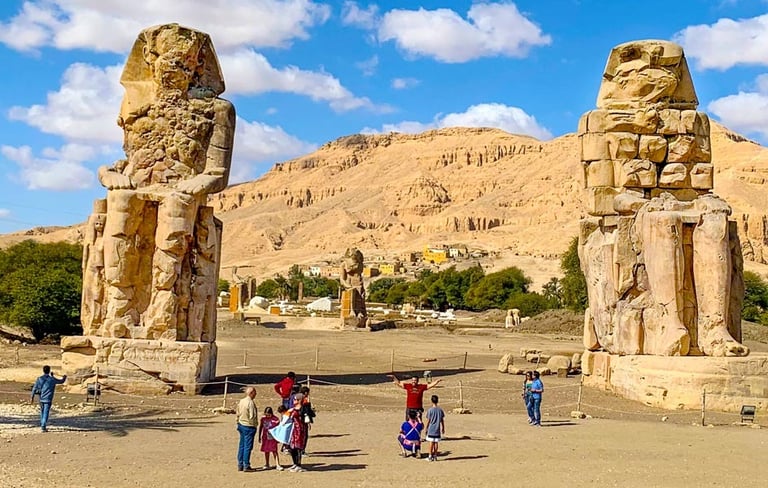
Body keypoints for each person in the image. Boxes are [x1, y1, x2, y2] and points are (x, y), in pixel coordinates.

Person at [30, 365, 67, 432]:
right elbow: (61, 381)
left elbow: (34, 388)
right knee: (46, 412)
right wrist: (64, 377)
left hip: (41, 398)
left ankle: (42, 423)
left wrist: (32, 397)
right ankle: (43, 426)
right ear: (49, 371)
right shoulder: (52, 379)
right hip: (48, 398)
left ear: (43, 370)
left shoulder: (39, 379)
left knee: (42, 411)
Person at [236, 387, 258, 472]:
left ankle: (240, 464)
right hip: (249, 426)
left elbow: (238, 412)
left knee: (242, 445)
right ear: (252, 393)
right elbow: (252, 416)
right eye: (255, 393)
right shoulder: (250, 403)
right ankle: (246, 465)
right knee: (248, 446)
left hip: (241, 424)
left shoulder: (242, 401)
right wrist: (255, 425)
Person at [287, 393, 308, 472]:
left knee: (298, 447)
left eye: (296, 399)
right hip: (293, 430)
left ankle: (299, 465)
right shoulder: (293, 409)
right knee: (293, 448)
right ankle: (295, 463)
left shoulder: (302, 409)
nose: (294, 401)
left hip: (300, 430)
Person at [257, 407, 283, 471]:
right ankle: (267, 463)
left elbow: (279, 429)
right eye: (266, 415)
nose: (267, 416)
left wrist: (279, 437)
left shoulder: (275, 419)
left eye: (268, 415)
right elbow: (261, 427)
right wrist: (259, 436)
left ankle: (277, 464)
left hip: (273, 437)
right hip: (265, 437)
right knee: (266, 451)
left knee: (274, 451)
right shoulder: (263, 419)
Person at [424, 395, 445, 462]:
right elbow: (442, 420)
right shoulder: (440, 410)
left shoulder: (430, 410)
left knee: (431, 442)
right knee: (436, 442)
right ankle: (435, 456)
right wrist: (443, 428)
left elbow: (428, 420)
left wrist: (426, 428)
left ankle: (430, 456)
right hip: (437, 429)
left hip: (431, 429)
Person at [298, 385, 316, 455]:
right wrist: (308, 422)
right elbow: (306, 412)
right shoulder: (304, 400)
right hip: (303, 420)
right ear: (305, 393)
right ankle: (302, 450)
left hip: (297, 419)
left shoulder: (296, 398)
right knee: (304, 435)